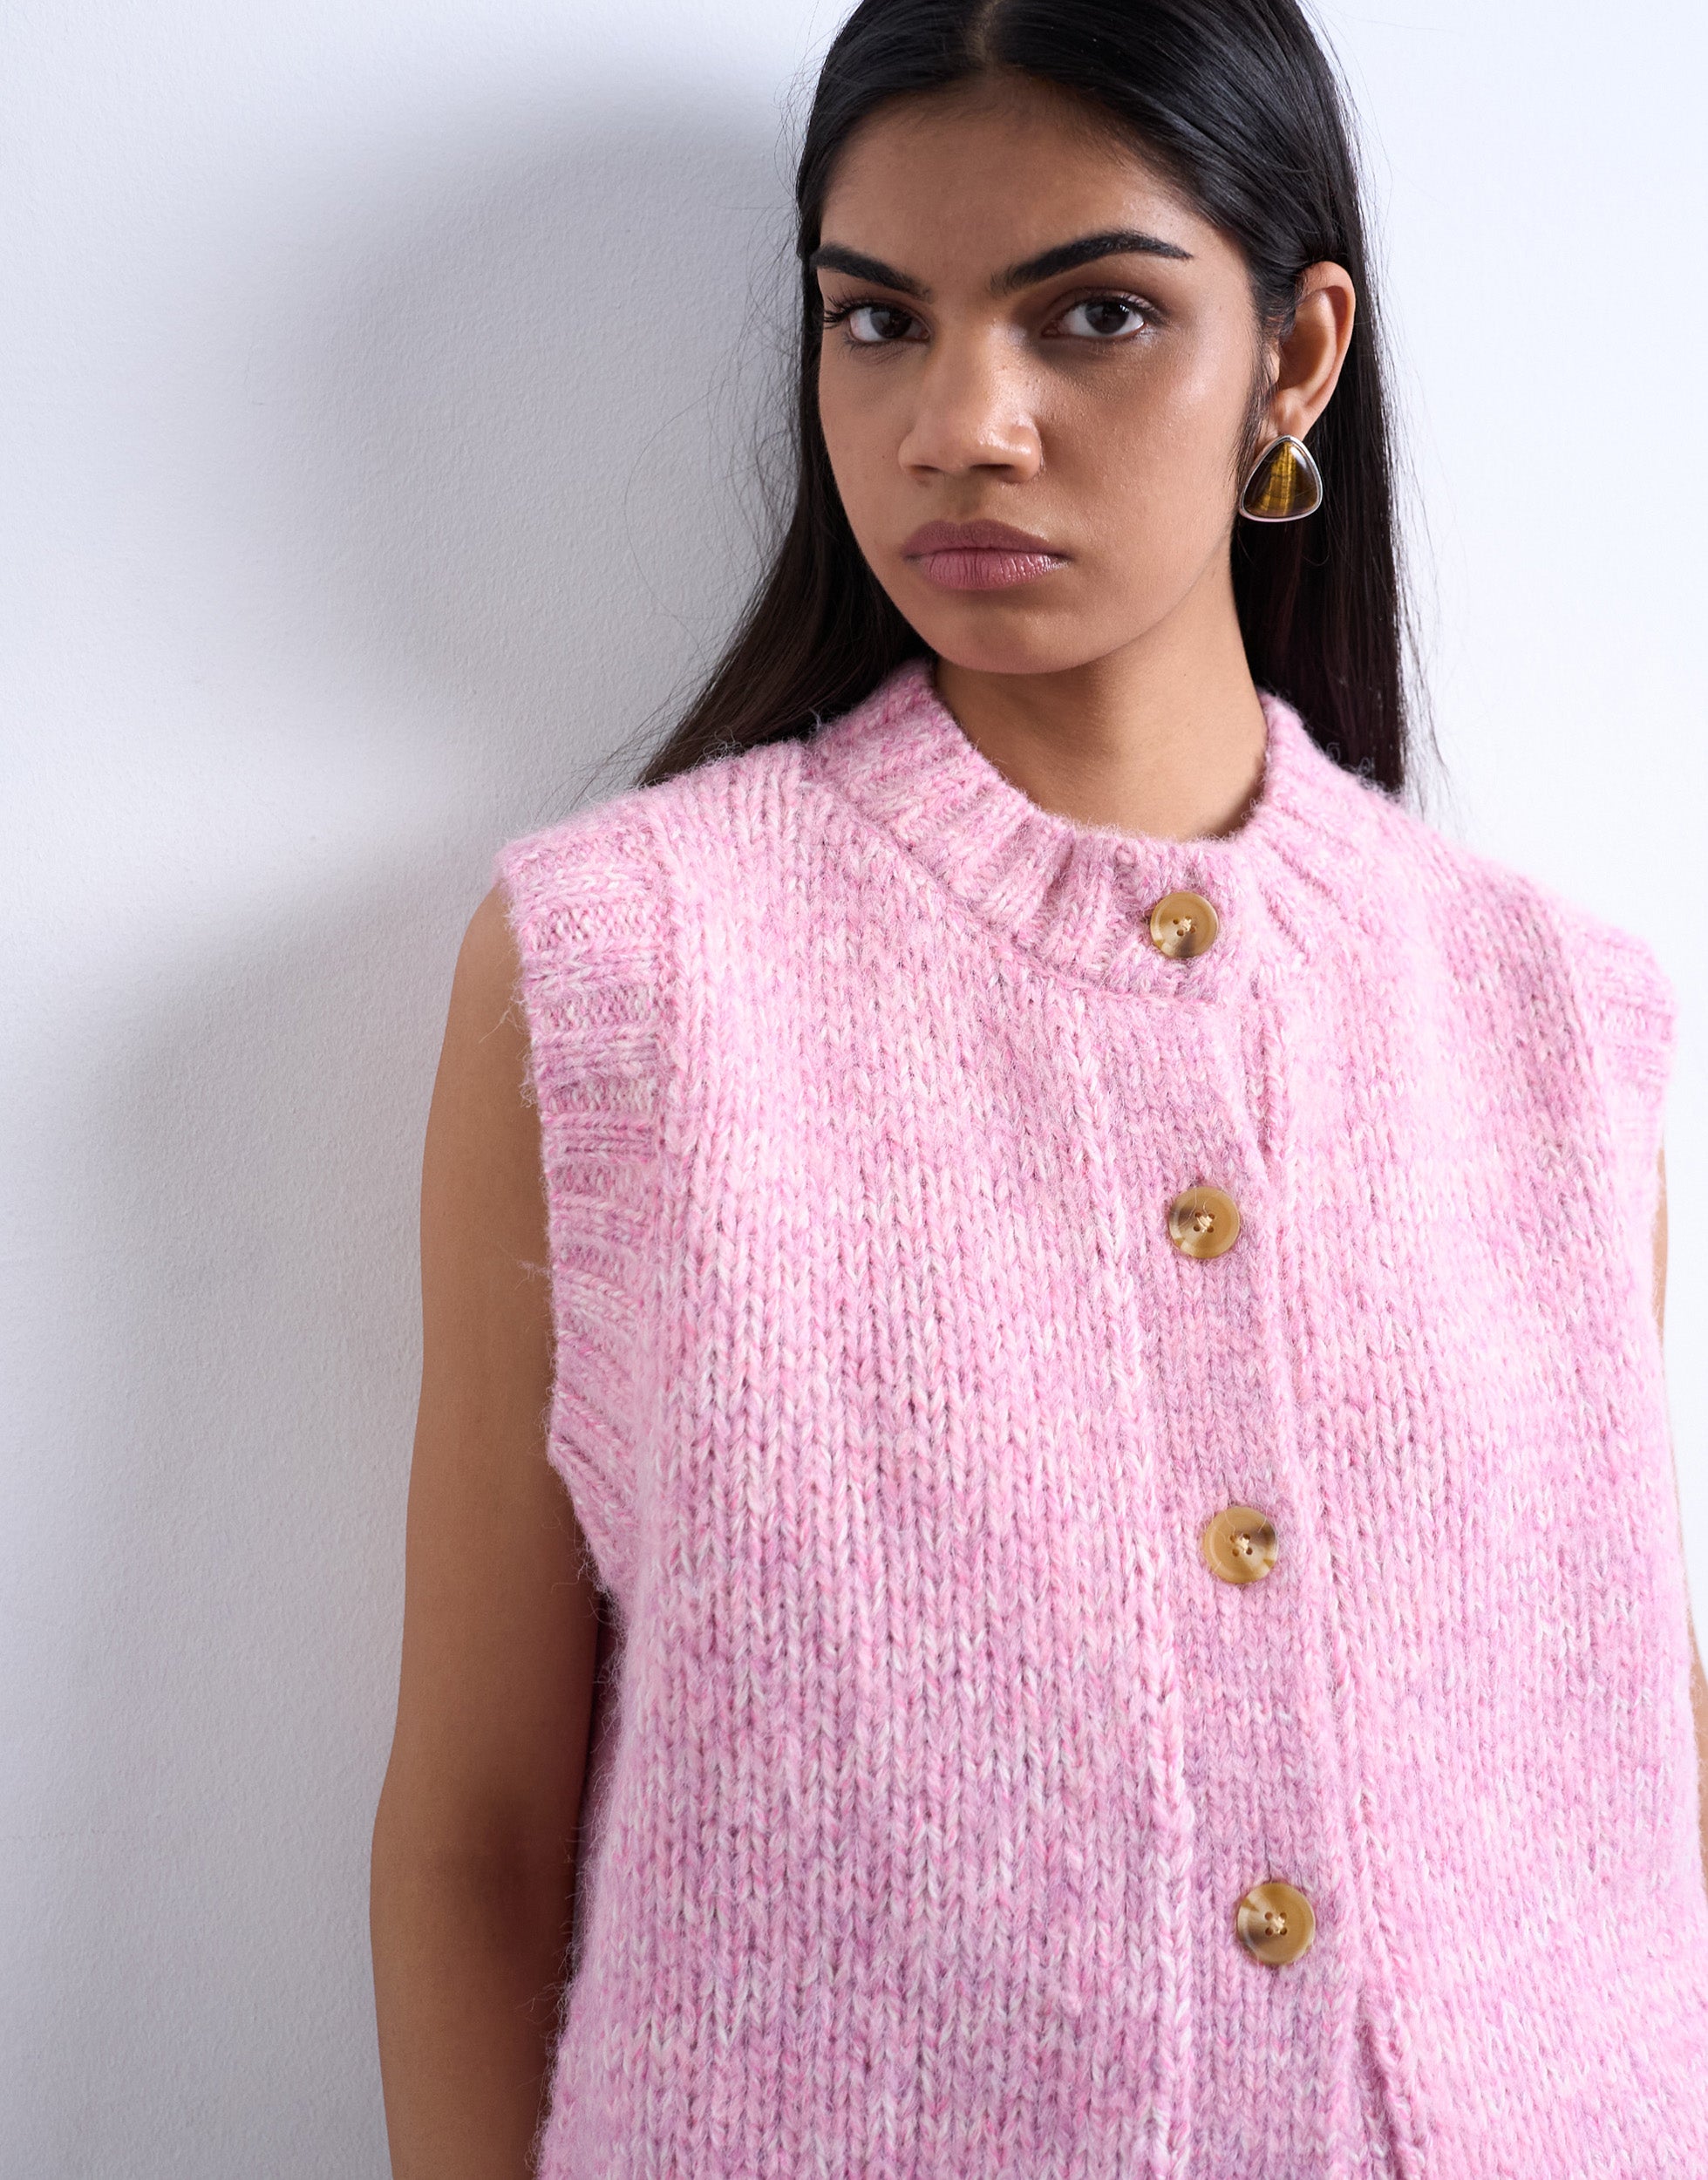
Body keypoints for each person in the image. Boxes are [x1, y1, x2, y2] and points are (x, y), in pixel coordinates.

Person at [370, 1, 1708, 2173]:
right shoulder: (625, 974)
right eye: (876, 320)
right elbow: (475, 1838)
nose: (957, 424)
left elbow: (1632, 1763)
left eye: (1090, 314)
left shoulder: (1551, 1017)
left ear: (1293, 355)